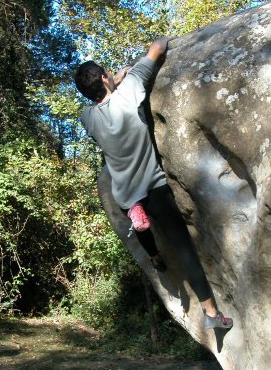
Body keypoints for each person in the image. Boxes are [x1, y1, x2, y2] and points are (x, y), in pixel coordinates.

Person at [74, 37, 232, 330]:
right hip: (153, 187)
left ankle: (155, 257)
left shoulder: (87, 118)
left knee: (139, 220)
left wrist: (115, 80)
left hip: (126, 194)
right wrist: (161, 44)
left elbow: (103, 99)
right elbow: (157, 49)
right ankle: (212, 314)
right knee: (185, 249)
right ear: (106, 77)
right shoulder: (131, 90)